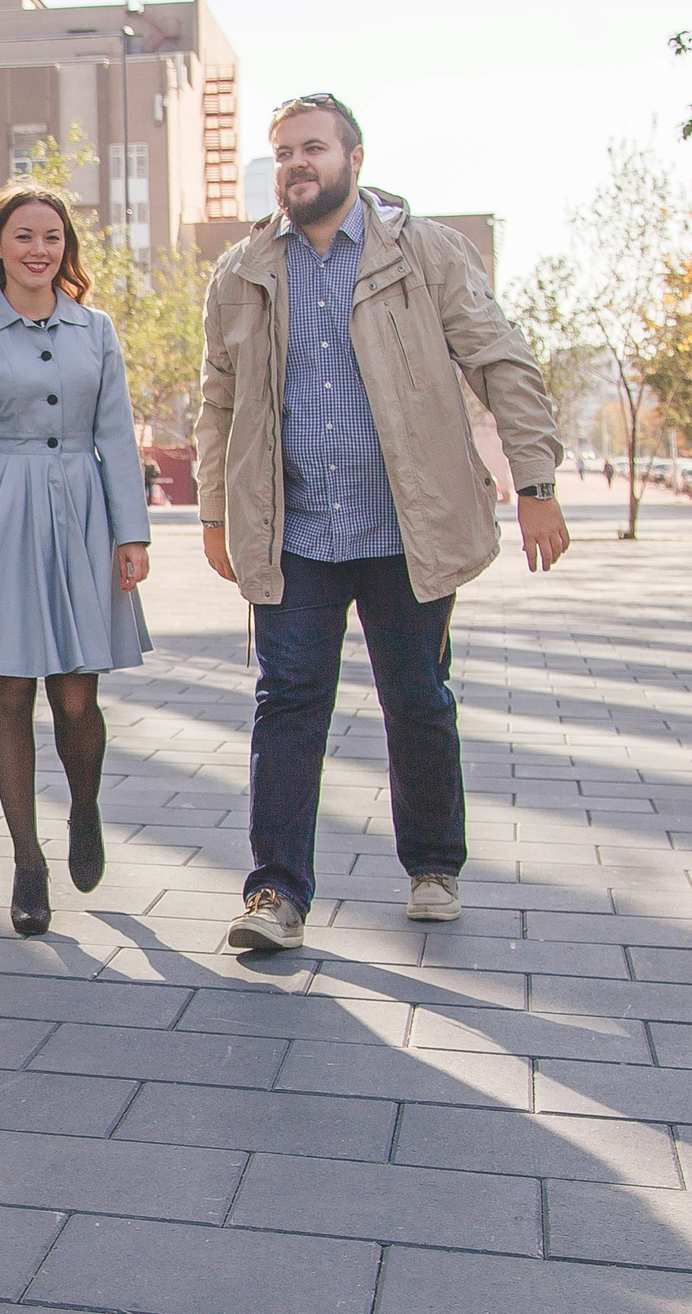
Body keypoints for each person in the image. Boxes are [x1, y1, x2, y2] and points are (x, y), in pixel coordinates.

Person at [196, 93, 567, 953]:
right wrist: (215, 511)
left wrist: (536, 480)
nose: (296, 163)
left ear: (353, 158)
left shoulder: (425, 252)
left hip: (409, 527)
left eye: (313, 148)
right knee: (287, 700)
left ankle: (434, 865)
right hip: (298, 532)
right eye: (284, 150)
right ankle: (276, 894)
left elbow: (499, 358)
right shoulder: (245, 269)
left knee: (417, 698)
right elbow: (217, 400)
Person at [0, 187, 152, 937]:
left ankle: (84, 804)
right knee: (9, 690)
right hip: (1, 517)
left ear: (66, 248)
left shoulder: (98, 330)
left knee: (77, 695)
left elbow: (117, 435)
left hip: (84, 513)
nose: (38, 249)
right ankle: (27, 858)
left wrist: (132, 534)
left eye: (52, 236)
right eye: (23, 236)